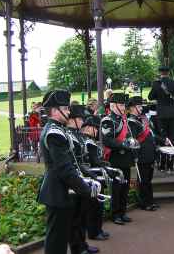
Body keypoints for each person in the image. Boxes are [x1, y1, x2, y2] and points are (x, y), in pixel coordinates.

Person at [37, 90, 101, 254]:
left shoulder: (59, 129)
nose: (68, 112)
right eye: (65, 109)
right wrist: (85, 189)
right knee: (56, 241)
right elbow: (64, 168)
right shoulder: (54, 133)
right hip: (57, 191)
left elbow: (72, 164)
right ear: (54, 111)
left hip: (61, 190)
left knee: (61, 236)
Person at [66, 105, 99, 254]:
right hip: (74, 181)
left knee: (82, 215)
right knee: (74, 219)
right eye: (80, 118)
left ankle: (83, 244)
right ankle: (77, 248)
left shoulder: (77, 134)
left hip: (82, 177)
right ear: (72, 120)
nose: (82, 121)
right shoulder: (68, 134)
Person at [127, 96, 168, 211]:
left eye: (141, 106)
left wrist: (163, 140)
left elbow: (152, 135)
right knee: (143, 180)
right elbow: (134, 140)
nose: (141, 108)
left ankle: (150, 200)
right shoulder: (131, 122)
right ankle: (144, 203)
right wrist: (135, 155)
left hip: (150, 153)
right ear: (132, 108)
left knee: (148, 180)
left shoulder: (142, 119)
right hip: (142, 155)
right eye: (139, 106)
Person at [100, 93, 134, 225]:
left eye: (124, 105)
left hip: (126, 158)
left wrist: (132, 143)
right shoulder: (108, 121)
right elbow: (107, 141)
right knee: (116, 188)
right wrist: (123, 144)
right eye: (121, 105)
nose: (123, 107)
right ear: (113, 106)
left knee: (125, 186)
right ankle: (115, 215)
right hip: (115, 158)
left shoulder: (124, 120)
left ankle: (123, 212)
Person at [80, 115, 110, 242]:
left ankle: (98, 229)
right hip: (92, 177)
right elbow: (94, 160)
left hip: (97, 176)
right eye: (95, 128)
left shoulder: (90, 141)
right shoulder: (87, 141)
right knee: (94, 206)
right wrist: (104, 165)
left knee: (99, 205)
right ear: (87, 128)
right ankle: (93, 232)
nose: (97, 131)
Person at [148, 66, 174, 146]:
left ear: (160, 73)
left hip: (161, 113)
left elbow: (150, 97)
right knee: (173, 134)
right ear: (169, 73)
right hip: (173, 113)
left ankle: (164, 156)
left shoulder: (156, 84)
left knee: (163, 135)